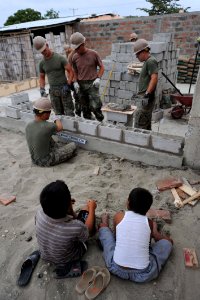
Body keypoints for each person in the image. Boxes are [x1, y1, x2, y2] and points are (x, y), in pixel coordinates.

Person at [98, 187, 173, 283]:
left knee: (105, 232)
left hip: (115, 267)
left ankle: (104, 222)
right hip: (143, 274)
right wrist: (155, 233)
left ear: (128, 203)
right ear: (148, 209)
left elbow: (116, 238)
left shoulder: (119, 215)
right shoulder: (149, 223)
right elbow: (148, 245)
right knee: (168, 244)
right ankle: (156, 233)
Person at [35, 180, 97, 267]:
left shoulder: (39, 212)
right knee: (86, 209)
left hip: (45, 255)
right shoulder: (76, 226)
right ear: (67, 205)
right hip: (68, 258)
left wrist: (67, 206)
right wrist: (92, 208)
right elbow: (88, 231)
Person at [25, 98, 76, 167]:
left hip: (34, 159)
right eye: (49, 113)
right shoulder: (48, 126)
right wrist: (56, 118)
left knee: (48, 137)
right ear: (44, 114)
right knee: (73, 145)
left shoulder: (29, 125)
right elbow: (60, 127)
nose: (49, 115)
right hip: (46, 161)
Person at [33, 36, 75, 116]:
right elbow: (42, 77)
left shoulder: (59, 58)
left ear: (47, 45)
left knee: (69, 112)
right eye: (42, 52)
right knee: (58, 113)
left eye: (45, 50)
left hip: (64, 89)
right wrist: (42, 89)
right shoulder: (42, 63)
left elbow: (70, 71)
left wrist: (68, 84)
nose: (44, 53)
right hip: (53, 91)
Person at [69, 32, 104, 121]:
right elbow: (75, 71)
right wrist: (76, 82)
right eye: (75, 49)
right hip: (81, 84)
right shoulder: (74, 57)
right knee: (84, 106)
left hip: (92, 83)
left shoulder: (93, 54)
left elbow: (102, 67)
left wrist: (98, 78)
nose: (76, 50)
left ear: (83, 44)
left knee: (96, 106)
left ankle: (100, 120)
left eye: (77, 48)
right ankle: (89, 122)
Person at [133, 39, 158, 130]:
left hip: (146, 99)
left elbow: (154, 78)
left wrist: (147, 94)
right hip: (144, 97)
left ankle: (139, 142)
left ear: (143, 52)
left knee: (140, 125)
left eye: (137, 54)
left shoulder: (151, 61)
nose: (136, 57)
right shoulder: (147, 62)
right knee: (145, 124)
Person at [63, 43, 82, 117]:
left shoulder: (73, 54)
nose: (66, 51)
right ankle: (78, 112)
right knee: (77, 96)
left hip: (78, 79)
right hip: (73, 80)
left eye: (67, 49)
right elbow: (69, 70)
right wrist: (70, 80)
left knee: (80, 96)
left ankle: (80, 111)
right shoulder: (68, 55)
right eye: (65, 50)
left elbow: (73, 69)